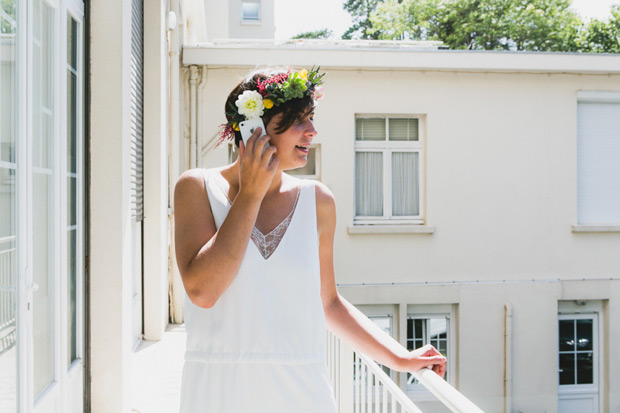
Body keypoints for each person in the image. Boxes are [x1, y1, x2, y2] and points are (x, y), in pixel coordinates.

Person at [174, 67, 446, 412]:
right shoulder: (196, 187)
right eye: (297, 120)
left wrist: (400, 358)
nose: (312, 131)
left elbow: (328, 302)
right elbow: (203, 291)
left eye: (310, 118)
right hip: (219, 391)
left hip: (301, 391)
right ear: (251, 129)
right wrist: (250, 195)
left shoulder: (318, 201)